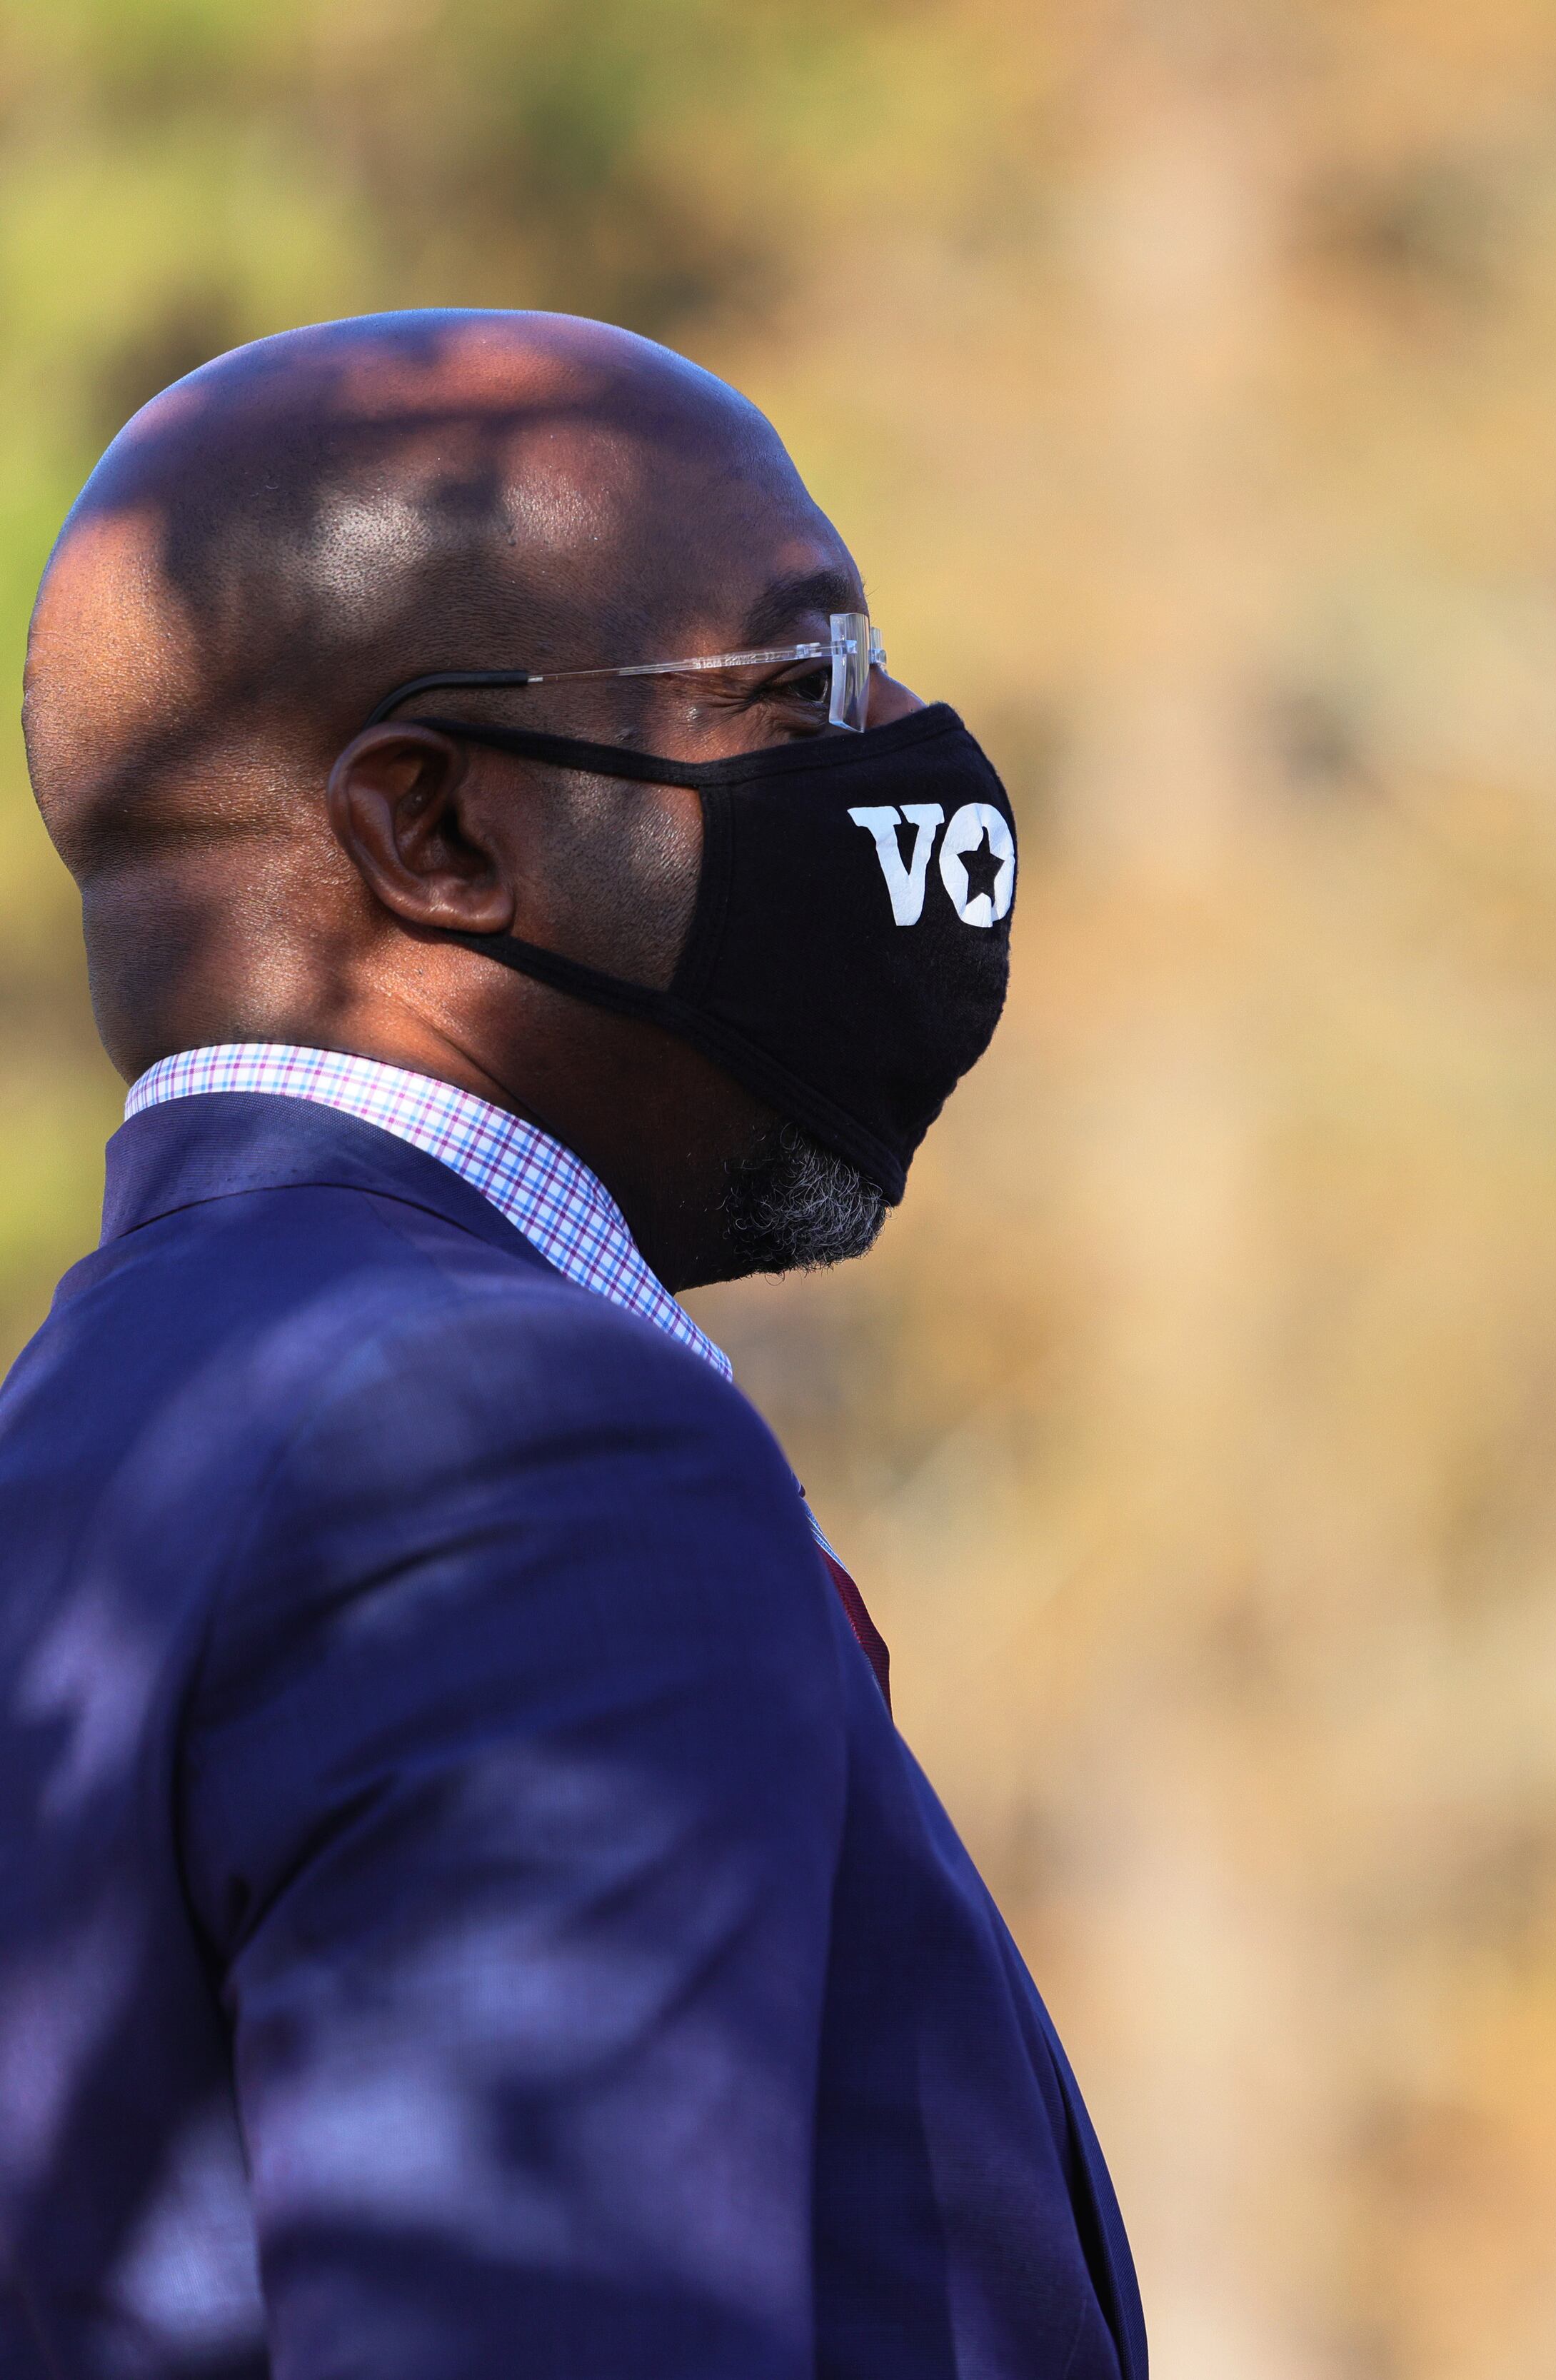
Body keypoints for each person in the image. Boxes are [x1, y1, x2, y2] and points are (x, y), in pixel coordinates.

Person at [0, 312, 1136, 2379]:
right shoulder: (504, 1453)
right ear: (434, 834)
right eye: (802, 681)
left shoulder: (88, 1436)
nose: (902, 744)